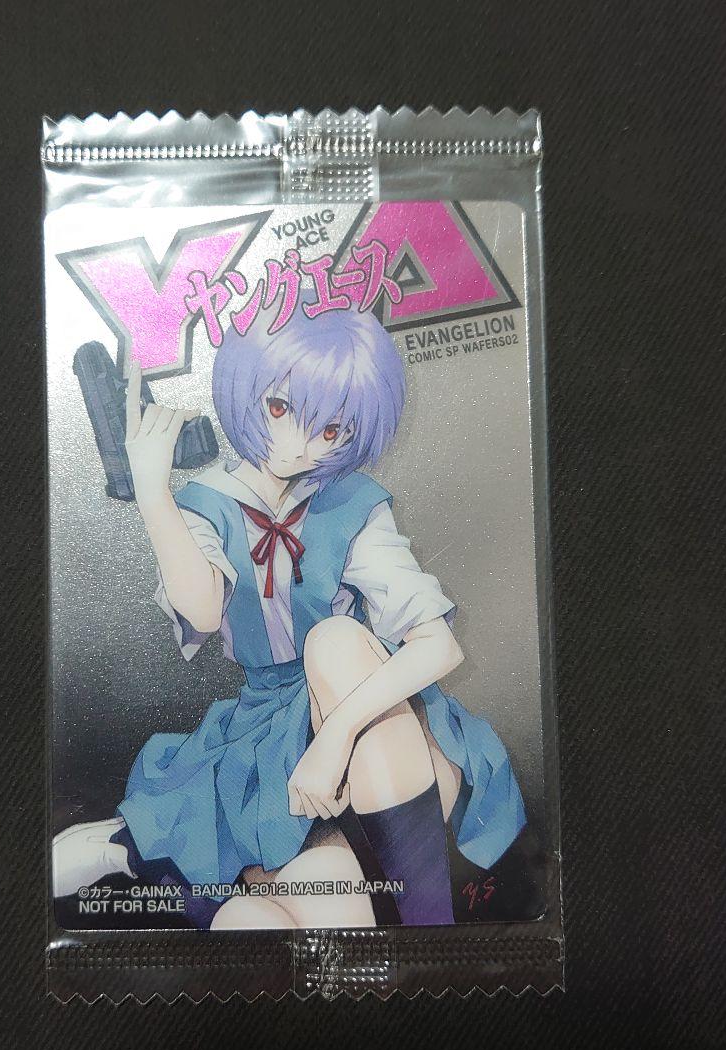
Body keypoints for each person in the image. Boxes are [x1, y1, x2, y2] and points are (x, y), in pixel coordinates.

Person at [53, 302, 526, 928]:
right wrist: (152, 494)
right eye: (280, 409)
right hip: (269, 733)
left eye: (331, 431)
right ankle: (140, 855)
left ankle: (428, 939)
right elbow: (202, 610)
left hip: (367, 714)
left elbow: (438, 646)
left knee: (334, 642)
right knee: (309, 925)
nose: (301, 446)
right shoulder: (207, 503)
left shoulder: (352, 502)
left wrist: (335, 736)